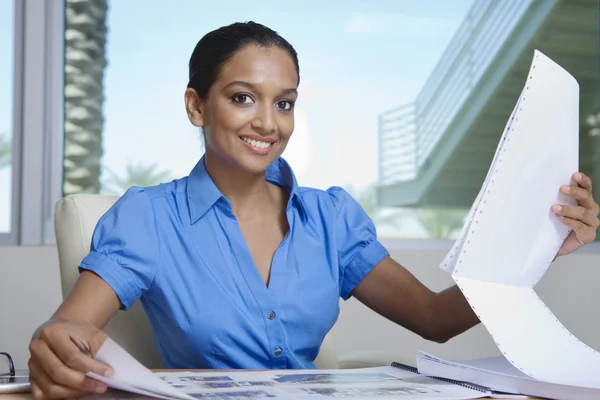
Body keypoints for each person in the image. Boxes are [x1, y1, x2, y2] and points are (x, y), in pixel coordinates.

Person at [28, 21, 599, 400]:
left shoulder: (331, 219)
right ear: (196, 105)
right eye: (242, 97)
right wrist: (58, 348)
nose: (268, 123)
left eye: (285, 103)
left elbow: (435, 318)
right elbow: (71, 326)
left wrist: (538, 248)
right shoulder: (148, 218)